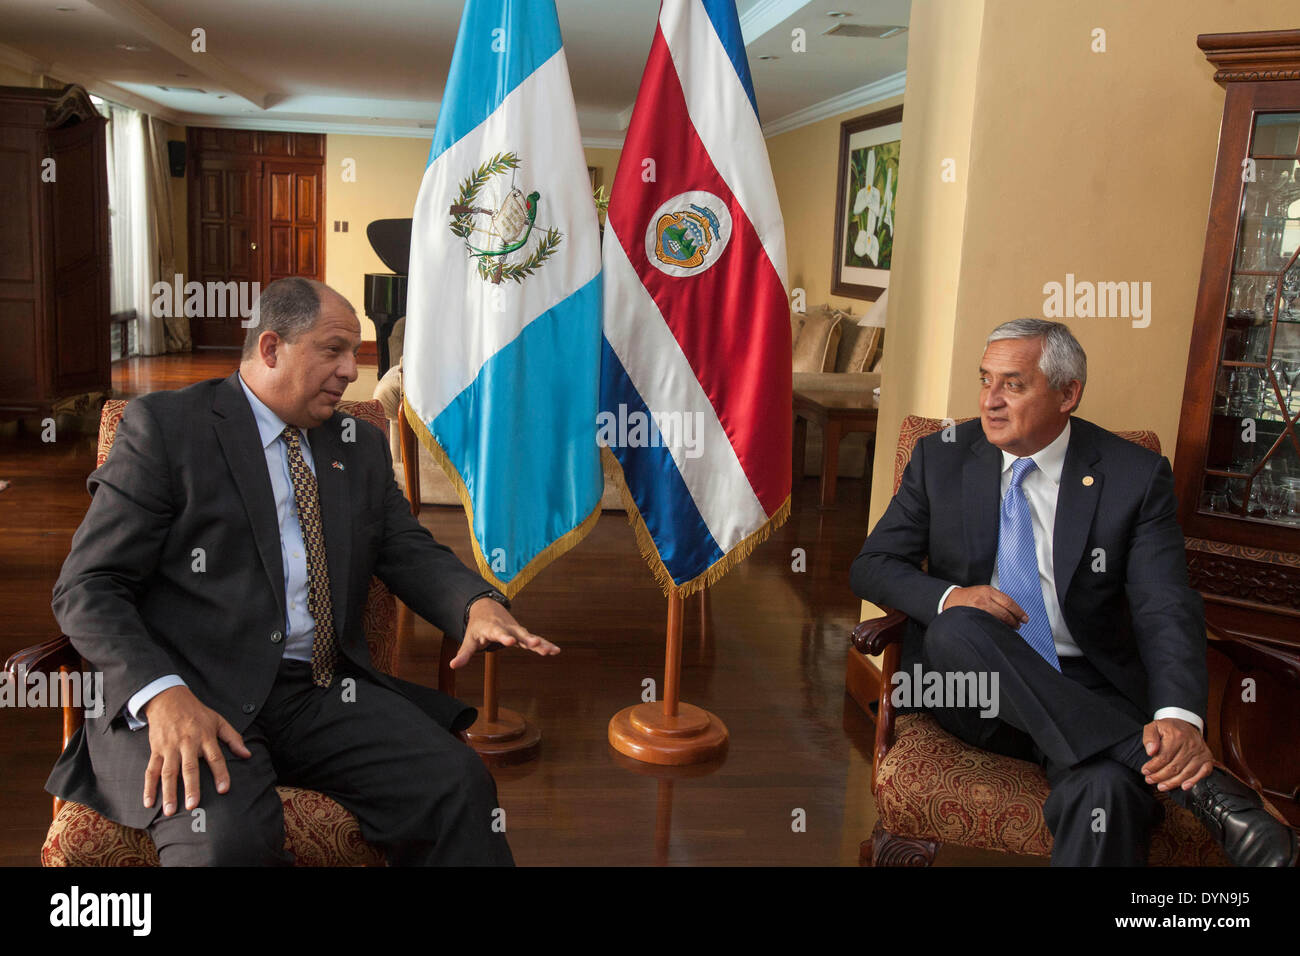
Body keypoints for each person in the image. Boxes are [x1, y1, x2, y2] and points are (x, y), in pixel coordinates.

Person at [46, 277, 556, 865]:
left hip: (317, 690)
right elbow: (89, 586)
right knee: (227, 844)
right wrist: (161, 697)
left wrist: (473, 604)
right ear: (270, 349)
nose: (350, 370)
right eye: (334, 350)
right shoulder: (167, 430)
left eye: (355, 352)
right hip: (195, 690)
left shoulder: (357, 444)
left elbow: (404, 546)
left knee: (458, 785)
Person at [850, 318, 1298, 866]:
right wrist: (951, 597)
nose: (990, 401)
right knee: (959, 627)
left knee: (1106, 792)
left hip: (1090, 687)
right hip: (974, 690)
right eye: (985, 380)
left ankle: (1129, 756)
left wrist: (1180, 716)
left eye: (1012, 384)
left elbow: (1165, 603)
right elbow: (873, 565)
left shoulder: (1133, 475)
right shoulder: (941, 455)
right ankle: (1199, 787)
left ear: (1068, 394)